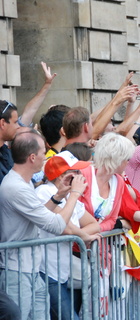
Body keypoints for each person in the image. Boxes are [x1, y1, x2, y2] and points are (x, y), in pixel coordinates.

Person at [0, 130, 86, 320]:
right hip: (17, 270)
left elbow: (37, 216)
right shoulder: (16, 187)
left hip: (30, 268)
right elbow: (55, 225)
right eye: (42, 153)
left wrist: (59, 196)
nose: (46, 157)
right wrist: (74, 194)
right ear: (32, 157)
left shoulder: (24, 182)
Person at [36, 151, 101, 320]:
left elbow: (94, 224)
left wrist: (79, 236)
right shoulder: (45, 192)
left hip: (62, 273)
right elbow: (66, 228)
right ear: (62, 176)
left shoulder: (70, 197)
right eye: (76, 172)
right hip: (46, 272)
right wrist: (79, 237)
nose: (81, 176)